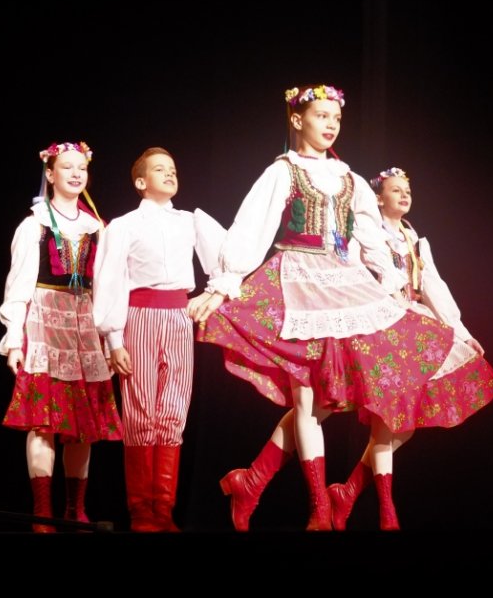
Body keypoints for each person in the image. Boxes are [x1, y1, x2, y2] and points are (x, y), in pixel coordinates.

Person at [191, 84, 460, 531]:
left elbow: (371, 240)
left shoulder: (349, 178)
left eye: (336, 117)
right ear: (298, 120)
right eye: (321, 115)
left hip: (343, 284)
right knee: (307, 396)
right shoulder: (283, 171)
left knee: (326, 402)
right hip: (297, 280)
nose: (331, 124)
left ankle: (252, 481)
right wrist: (222, 286)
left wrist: (390, 288)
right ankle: (318, 507)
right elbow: (251, 229)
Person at [326, 167, 493, 530]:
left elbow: (434, 285)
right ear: (379, 198)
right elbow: (352, 274)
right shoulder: (368, 234)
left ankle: (348, 492)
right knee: (388, 421)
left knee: (403, 427)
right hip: (381, 323)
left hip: (414, 322)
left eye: (407, 190)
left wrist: (460, 330)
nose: (404, 195)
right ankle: (386, 511)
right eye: (395, 190)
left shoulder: (414, 239)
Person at [91, 147, 225, 532]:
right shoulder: (124, 226)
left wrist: (213, 293)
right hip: (140, 316)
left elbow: (225, 259)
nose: (169, 174)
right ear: (140, 181)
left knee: (173, 411)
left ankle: (163, 510)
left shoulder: (190, 221)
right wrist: (114, 340)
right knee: (140, 413)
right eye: (159, 169)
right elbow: (110, 280)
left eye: (173, 169)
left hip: (179, 316)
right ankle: (140, 512)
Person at [0, 141, 123, 532]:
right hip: (45, 323)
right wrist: (14, 340)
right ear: (50, 174)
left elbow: (108, 287)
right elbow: (18, 286)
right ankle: (42, 513)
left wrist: (111, 341)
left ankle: (74, 510)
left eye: (81, 168)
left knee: (82, 421)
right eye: (66, 167)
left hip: (84, 326)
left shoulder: (96, 228)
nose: (75, 173)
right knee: (43, 421)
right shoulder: (33, 225)